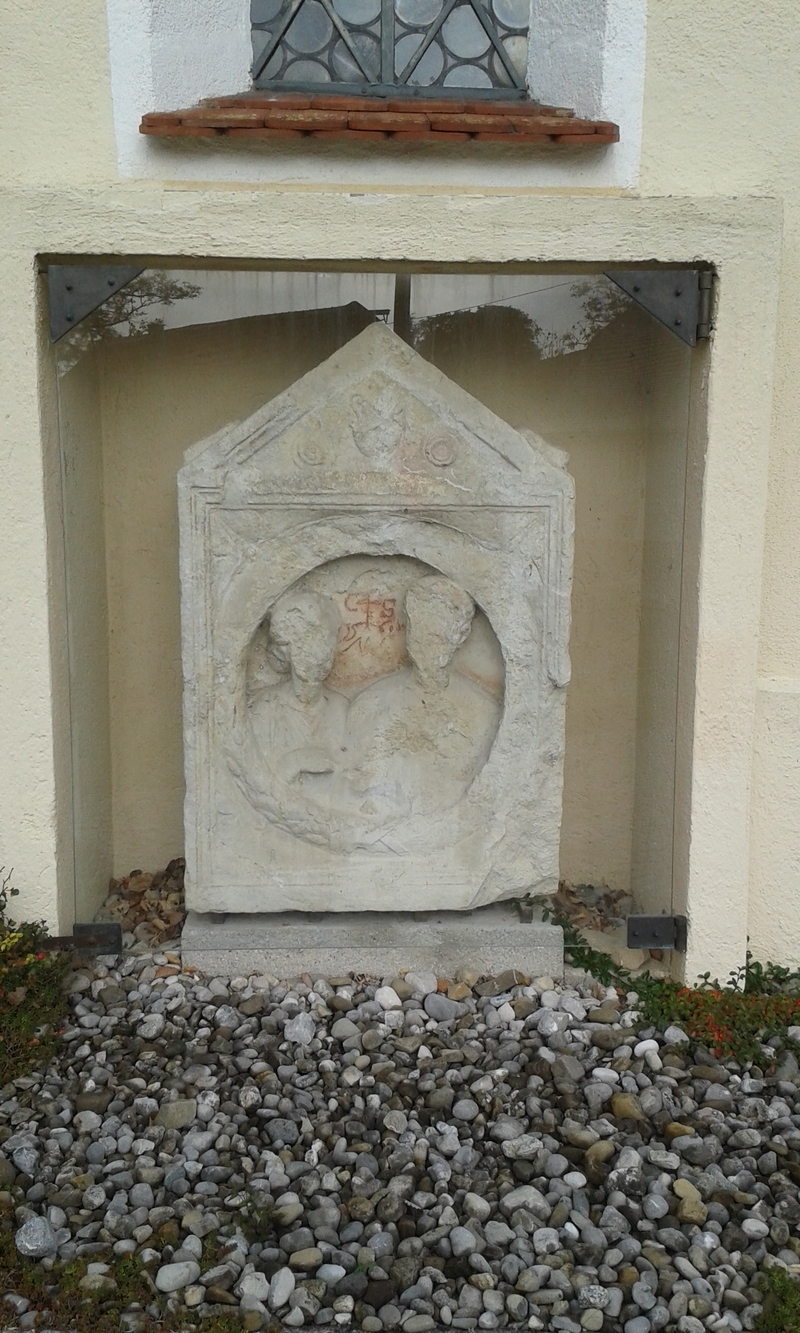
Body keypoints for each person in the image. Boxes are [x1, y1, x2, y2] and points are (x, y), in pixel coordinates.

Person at [344, 575, 501, 819]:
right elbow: (351, 780)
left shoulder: (484, 713)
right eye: (419, 633)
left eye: (436, 638)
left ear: (460, 637)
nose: (425, 647)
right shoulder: (370, 705)